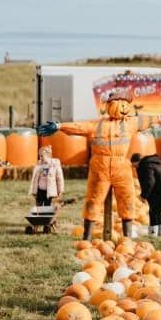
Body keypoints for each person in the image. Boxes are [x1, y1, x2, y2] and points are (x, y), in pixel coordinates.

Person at [61, 94, 141, 240]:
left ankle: (127, 238)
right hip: (100, 167)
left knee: (127, 199)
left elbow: (146, 120)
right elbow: (78, 127)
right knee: (93, 200)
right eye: (117, 102)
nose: (122, 106)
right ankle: (87, 237)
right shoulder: (97, 125)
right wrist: (59, 126)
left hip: (121, 167)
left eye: (125, 103)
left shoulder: (130, 123)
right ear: (109, 106)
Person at [132, 152, 161, 236]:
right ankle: (160, 233)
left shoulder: (145, 166)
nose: (134, 167)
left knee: (153, 211)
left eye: (134, 165)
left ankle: (153, 234)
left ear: (137, 161)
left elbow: (149, 182)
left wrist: (144, 196)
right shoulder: (152, 163)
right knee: (157, 211)